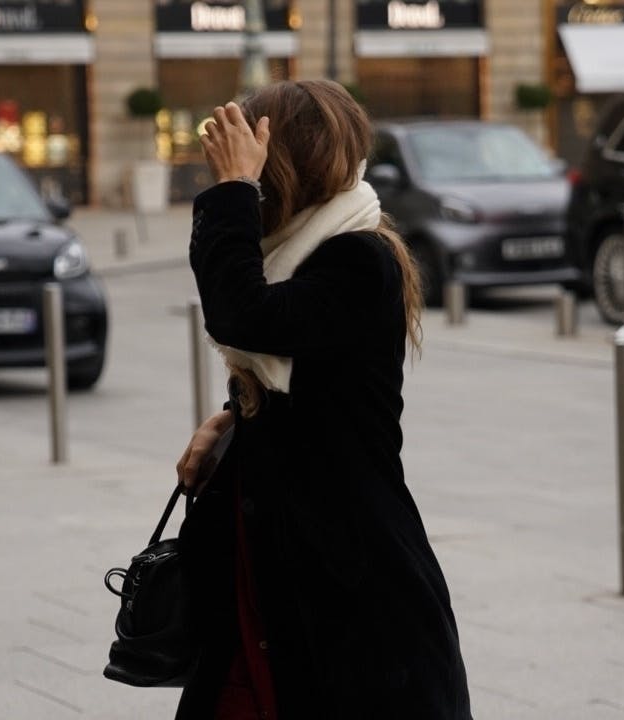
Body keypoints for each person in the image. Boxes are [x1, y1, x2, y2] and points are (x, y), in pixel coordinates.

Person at [173, 79, 473, 720]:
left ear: (281, 168)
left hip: (349, 586)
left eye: (252, 162)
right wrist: (231, 420)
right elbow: (310, 383)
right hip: (276, 565)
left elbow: (243, 315)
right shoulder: (292, 257)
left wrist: (230, 193)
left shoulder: (359, 260)